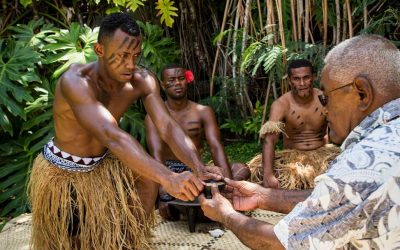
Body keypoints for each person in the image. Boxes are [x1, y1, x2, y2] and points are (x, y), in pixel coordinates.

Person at [28, 13, 220, 249]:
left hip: (105, 165)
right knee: (72, 242)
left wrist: (198, 168)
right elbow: (112, 135)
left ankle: (128, 243)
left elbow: (167, 126)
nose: (130, 65)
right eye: (121, 56)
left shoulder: (142, 80)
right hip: (64, 172)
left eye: (135, 55)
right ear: (99, 49)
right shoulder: (76, 82)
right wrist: (168, 177)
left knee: (147, 182)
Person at [199, 34, 400, 249]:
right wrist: (264, 194)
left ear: (362, 93)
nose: (325, 108)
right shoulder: (384, 145)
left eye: (327, 98)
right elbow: (342, 200)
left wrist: (226, 215)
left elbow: (282, 243)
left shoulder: (360, 167)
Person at [145, 64, 250, 220]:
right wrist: (163, 193)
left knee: (241, 168)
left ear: (187, 81)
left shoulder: (202, 111)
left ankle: (206, 198)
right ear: (162, 84)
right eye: (171, 80)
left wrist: (228, 184)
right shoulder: (153, 117)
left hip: (196, 168)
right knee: (145, 181)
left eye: (181, 79)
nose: (177, 83)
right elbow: (156, 154)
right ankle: (178, 202)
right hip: (169, 172)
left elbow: (216, 147)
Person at [249, 59, 339, 189]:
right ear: (290, 81)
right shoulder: (281, 104)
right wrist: (268, 175)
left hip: (323, 155)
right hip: (292, 158)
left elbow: (339, 129)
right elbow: (270, 140)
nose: (302, 83)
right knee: (261, 175)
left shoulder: (324, 98)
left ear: (313, 77)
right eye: (296, 79)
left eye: (306, 78)